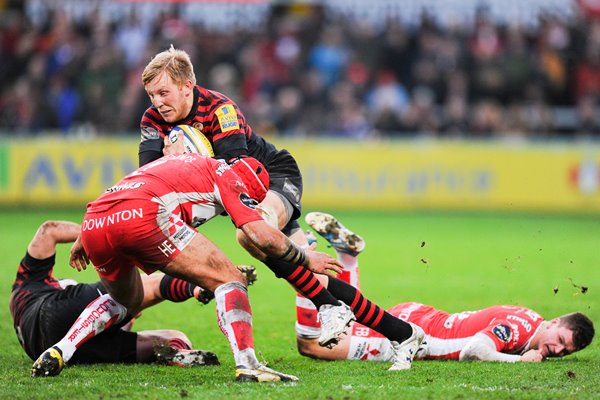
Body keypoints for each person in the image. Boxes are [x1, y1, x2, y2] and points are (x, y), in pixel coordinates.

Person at [137, 47, 424, 367]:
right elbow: (147, 180)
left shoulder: (220, 110)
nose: (157, 102)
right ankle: (402, 333)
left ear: (187, 86)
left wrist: (186, 162)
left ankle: (331, 306)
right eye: (151, 95)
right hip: (239, 192)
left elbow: (233, 176)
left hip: (271, 177)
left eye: (163, 92)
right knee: (309, 287)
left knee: (250, 236)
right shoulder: (152, 120)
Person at [31, 154, 342, 382]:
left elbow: (122, 191)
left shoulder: (182, 165)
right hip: (144, 215)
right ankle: (249, 365)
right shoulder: (231, 177)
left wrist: (85, 235)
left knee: (127, 300)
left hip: (97, 218)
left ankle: (61, 350)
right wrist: (304, 257)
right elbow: (258, 233)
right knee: (230, 278)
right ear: (252, 185)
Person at [296, 212, 595, 364]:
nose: (556, 350)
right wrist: (520, 360)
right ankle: (303, 261)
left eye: (564, 351)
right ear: (554, 322)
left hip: (420, 318)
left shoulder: (529, 320)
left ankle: (346, 257)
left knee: (344, 322)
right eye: (560, 339)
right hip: (414, 336)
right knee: (313, 346)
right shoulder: (519, 330)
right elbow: (474, 350)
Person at [10, 220, 253, 370]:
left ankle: (177, 353)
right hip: (53, 312)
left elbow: (47, 230)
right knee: (145, 285)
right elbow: (49, 229)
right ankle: (203, 286)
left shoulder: (24, 291)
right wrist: (92, 236)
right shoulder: (39, 286)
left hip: (51, 347)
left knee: (173, 337)